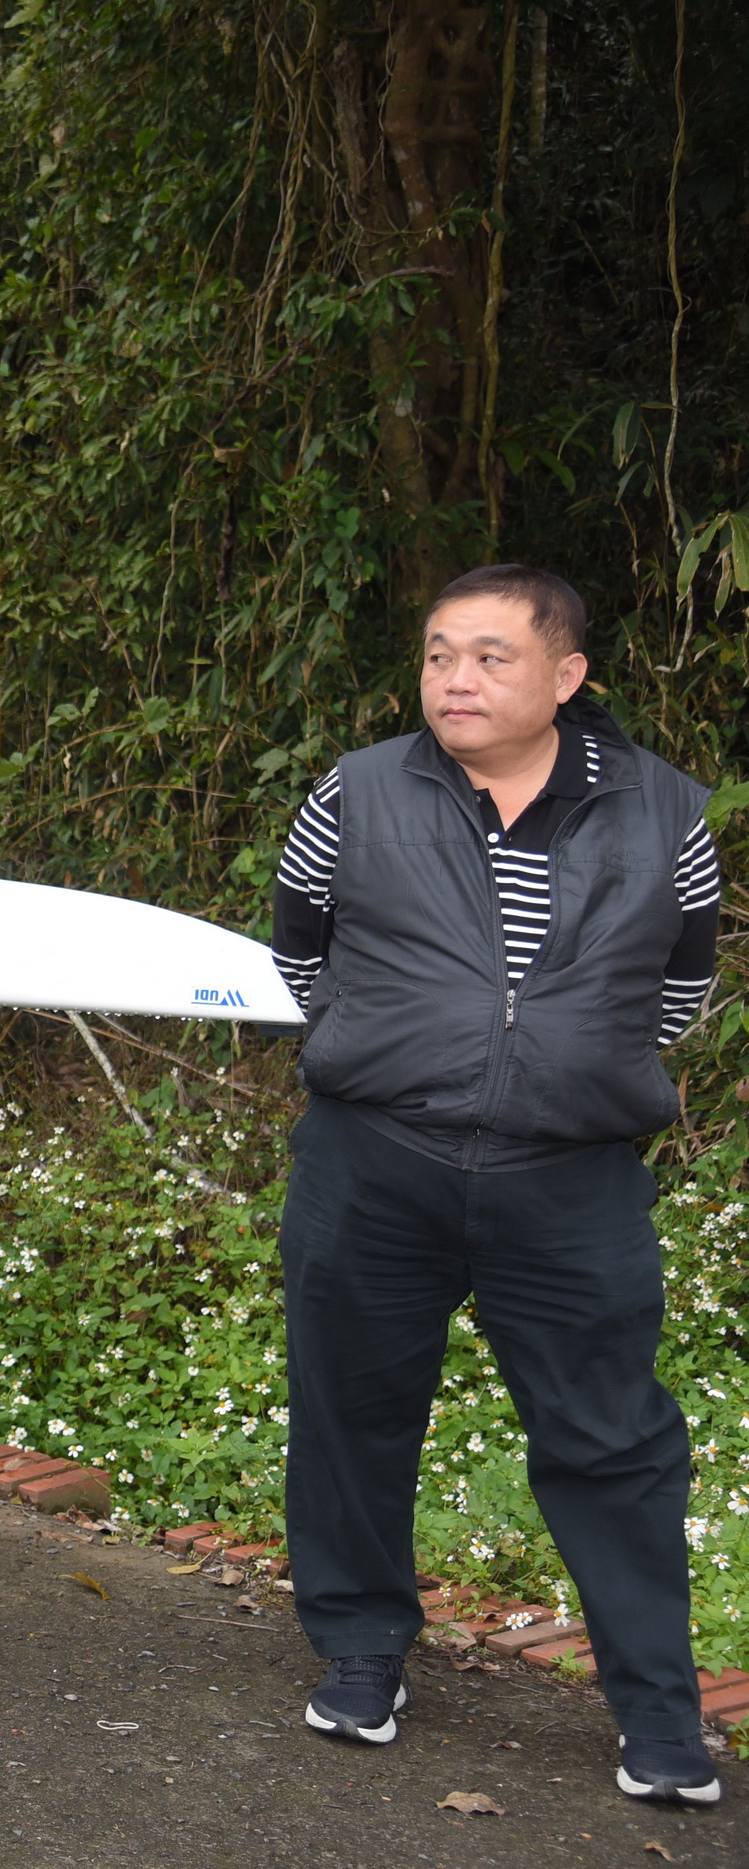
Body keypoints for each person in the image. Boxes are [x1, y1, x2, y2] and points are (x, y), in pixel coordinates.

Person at [270, 564, 726, 1806]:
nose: (454, 680)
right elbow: (300, 952)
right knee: (352, 1417)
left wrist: (552, 1068)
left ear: (566, 677)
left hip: (570, 1182)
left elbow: (674, 990)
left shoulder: (663, 812)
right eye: (435, 656)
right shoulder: (356, 792)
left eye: (487, 657)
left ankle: (658, 1714)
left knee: (613, 1440)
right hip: (374, 1164)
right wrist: (408, 1057)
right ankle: (361, 1648)